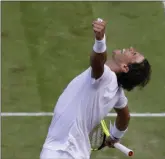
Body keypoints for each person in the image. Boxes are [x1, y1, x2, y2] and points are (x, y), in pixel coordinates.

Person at [40, 18, 152, 159]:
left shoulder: (107, 77)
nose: (131, 49)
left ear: (125, 67)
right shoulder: (117, 93)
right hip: (74, 153)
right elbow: (125, 116)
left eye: (133, 54)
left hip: (62, 152)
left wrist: (100, 40)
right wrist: (115, 136)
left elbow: (97, 63)